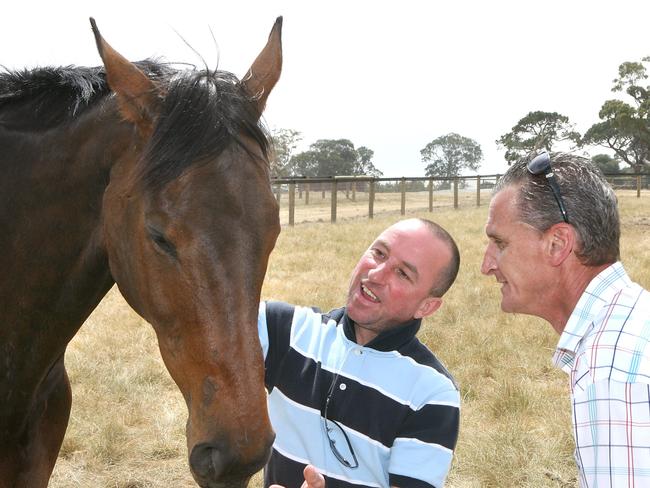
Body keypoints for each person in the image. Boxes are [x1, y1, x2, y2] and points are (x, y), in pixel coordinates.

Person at [481, 151, 650, 487]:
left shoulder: (610, 370)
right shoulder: (631, 321)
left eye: (500, 243)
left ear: (558, 244)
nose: (487, 265)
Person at [259, 218, 461, 488]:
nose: (376, 275)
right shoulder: (284, 330)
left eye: (403, 273)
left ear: (426, 306)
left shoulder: (431, 393)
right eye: (379, 253)